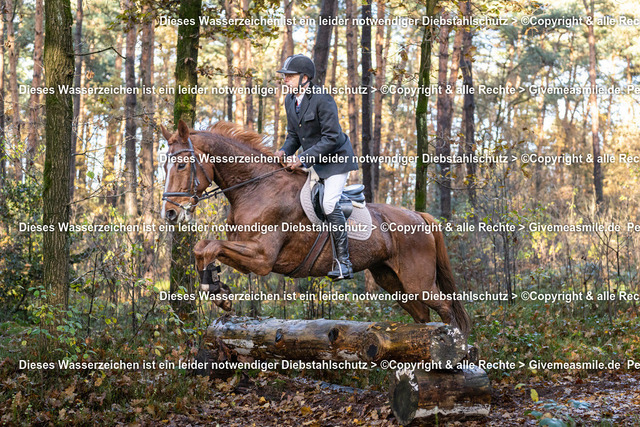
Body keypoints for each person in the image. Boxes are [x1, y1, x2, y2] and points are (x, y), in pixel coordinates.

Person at [274, 54, 359, 280]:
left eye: (290, 76)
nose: (285, 80)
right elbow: (294, 136)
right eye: (285, 76)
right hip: (314, 161)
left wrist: (302, 159)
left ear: (304, 78)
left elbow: (332, 137)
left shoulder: (322, 99)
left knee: (329, 203)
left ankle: (344, 263)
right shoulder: (290, 100)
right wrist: (284, 151)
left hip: (336, 161)